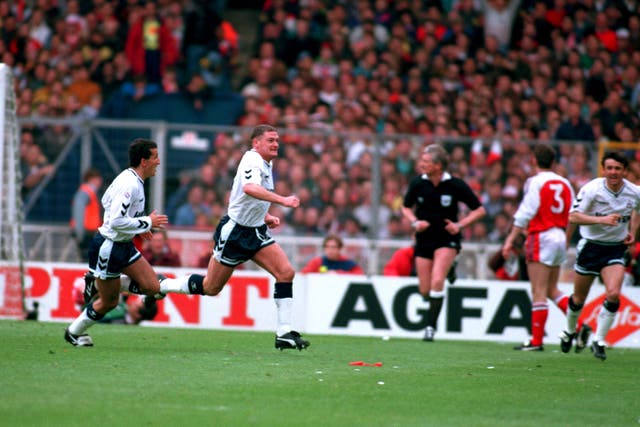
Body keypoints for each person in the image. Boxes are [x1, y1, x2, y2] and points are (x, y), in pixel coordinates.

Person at [159, 124, 310, 351]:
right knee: (211, 287)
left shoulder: (267, 163)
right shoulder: (252, 160)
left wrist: (265, 215)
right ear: (256, 143)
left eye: (277, 139)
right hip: (235, 233)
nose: (276, 143)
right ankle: (164, 284)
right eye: (270, 140)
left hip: (256, 230)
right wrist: (283, 201)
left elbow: (244, 196)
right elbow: (249, 188)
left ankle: (284, 332)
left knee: (286, 272)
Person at [64, 138, 204, 347]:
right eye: (155, 157)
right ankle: (74, 332)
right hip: (108, 247)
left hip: (124, 245)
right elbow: (116, 221)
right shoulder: (130, 184)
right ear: (144, 161)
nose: (158, 162)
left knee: (151, 286)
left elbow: (106, 202)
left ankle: (97, 283)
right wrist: (147, 221)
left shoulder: (132, 180)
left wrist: (141, 225)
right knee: (109, 302)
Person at [559, 152, 640, 361]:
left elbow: (637, 212)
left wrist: (632, 231)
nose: (613, 172)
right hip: (590, 248)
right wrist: (602, 220)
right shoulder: (591, 189)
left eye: (618, 168)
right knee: (578, 299)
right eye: (609, 168)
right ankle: (569, 331)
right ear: (603, 169)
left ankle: (599, 340)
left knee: (613, 293)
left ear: (624, 170)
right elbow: (573, 216)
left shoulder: (634, 192)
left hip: (614, 249)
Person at [401, 144, 486, 342]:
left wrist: (459, 225)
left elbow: (479, 210)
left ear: (438, 165)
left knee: (437, 280)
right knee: (425, 290)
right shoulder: (417, 184)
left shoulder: (455, 185)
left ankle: (430, 327)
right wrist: (415, 222)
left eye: (426, 162)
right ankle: (450, 269)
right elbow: (405, 207)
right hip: (424, 239)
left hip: (447, 239)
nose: (421, 165)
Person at [502, 144, 576, 351]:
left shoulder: (534, 182)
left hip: (541, 235)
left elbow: (527, 210)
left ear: (534, 160)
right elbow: (574, 214)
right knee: (552, 289)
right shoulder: (564, 183)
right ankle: (580, 325)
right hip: (560, 235)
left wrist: (510, 239)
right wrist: (567, 237)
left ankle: (536, 341)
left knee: (538, 291)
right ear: (553, 162)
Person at [70, 168, 103, 262]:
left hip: (90, 232)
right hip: (86, 232)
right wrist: (79, 232)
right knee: (88, 259)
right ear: (91, 179)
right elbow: (79, 211)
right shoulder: (86, 192)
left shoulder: (90, 193)